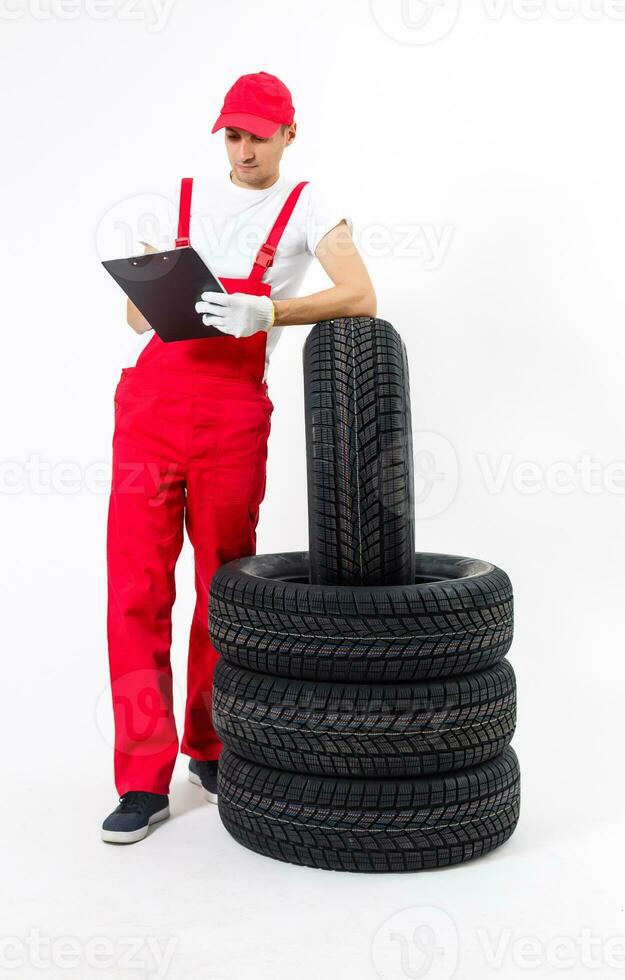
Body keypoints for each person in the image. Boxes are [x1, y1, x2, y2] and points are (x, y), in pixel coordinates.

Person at [101, 70, 377, 843]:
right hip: (151, 409)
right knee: (137, 591)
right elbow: (134, 320)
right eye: (233, 134)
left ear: (290, 134)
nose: (245, 149)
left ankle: (211, 747)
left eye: (259, 134)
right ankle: (140, 779)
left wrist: (271, 308)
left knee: (224, 590)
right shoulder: (179, 195)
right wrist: (156, 284)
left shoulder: (308, 205)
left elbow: (360, 294)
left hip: (230, 414)